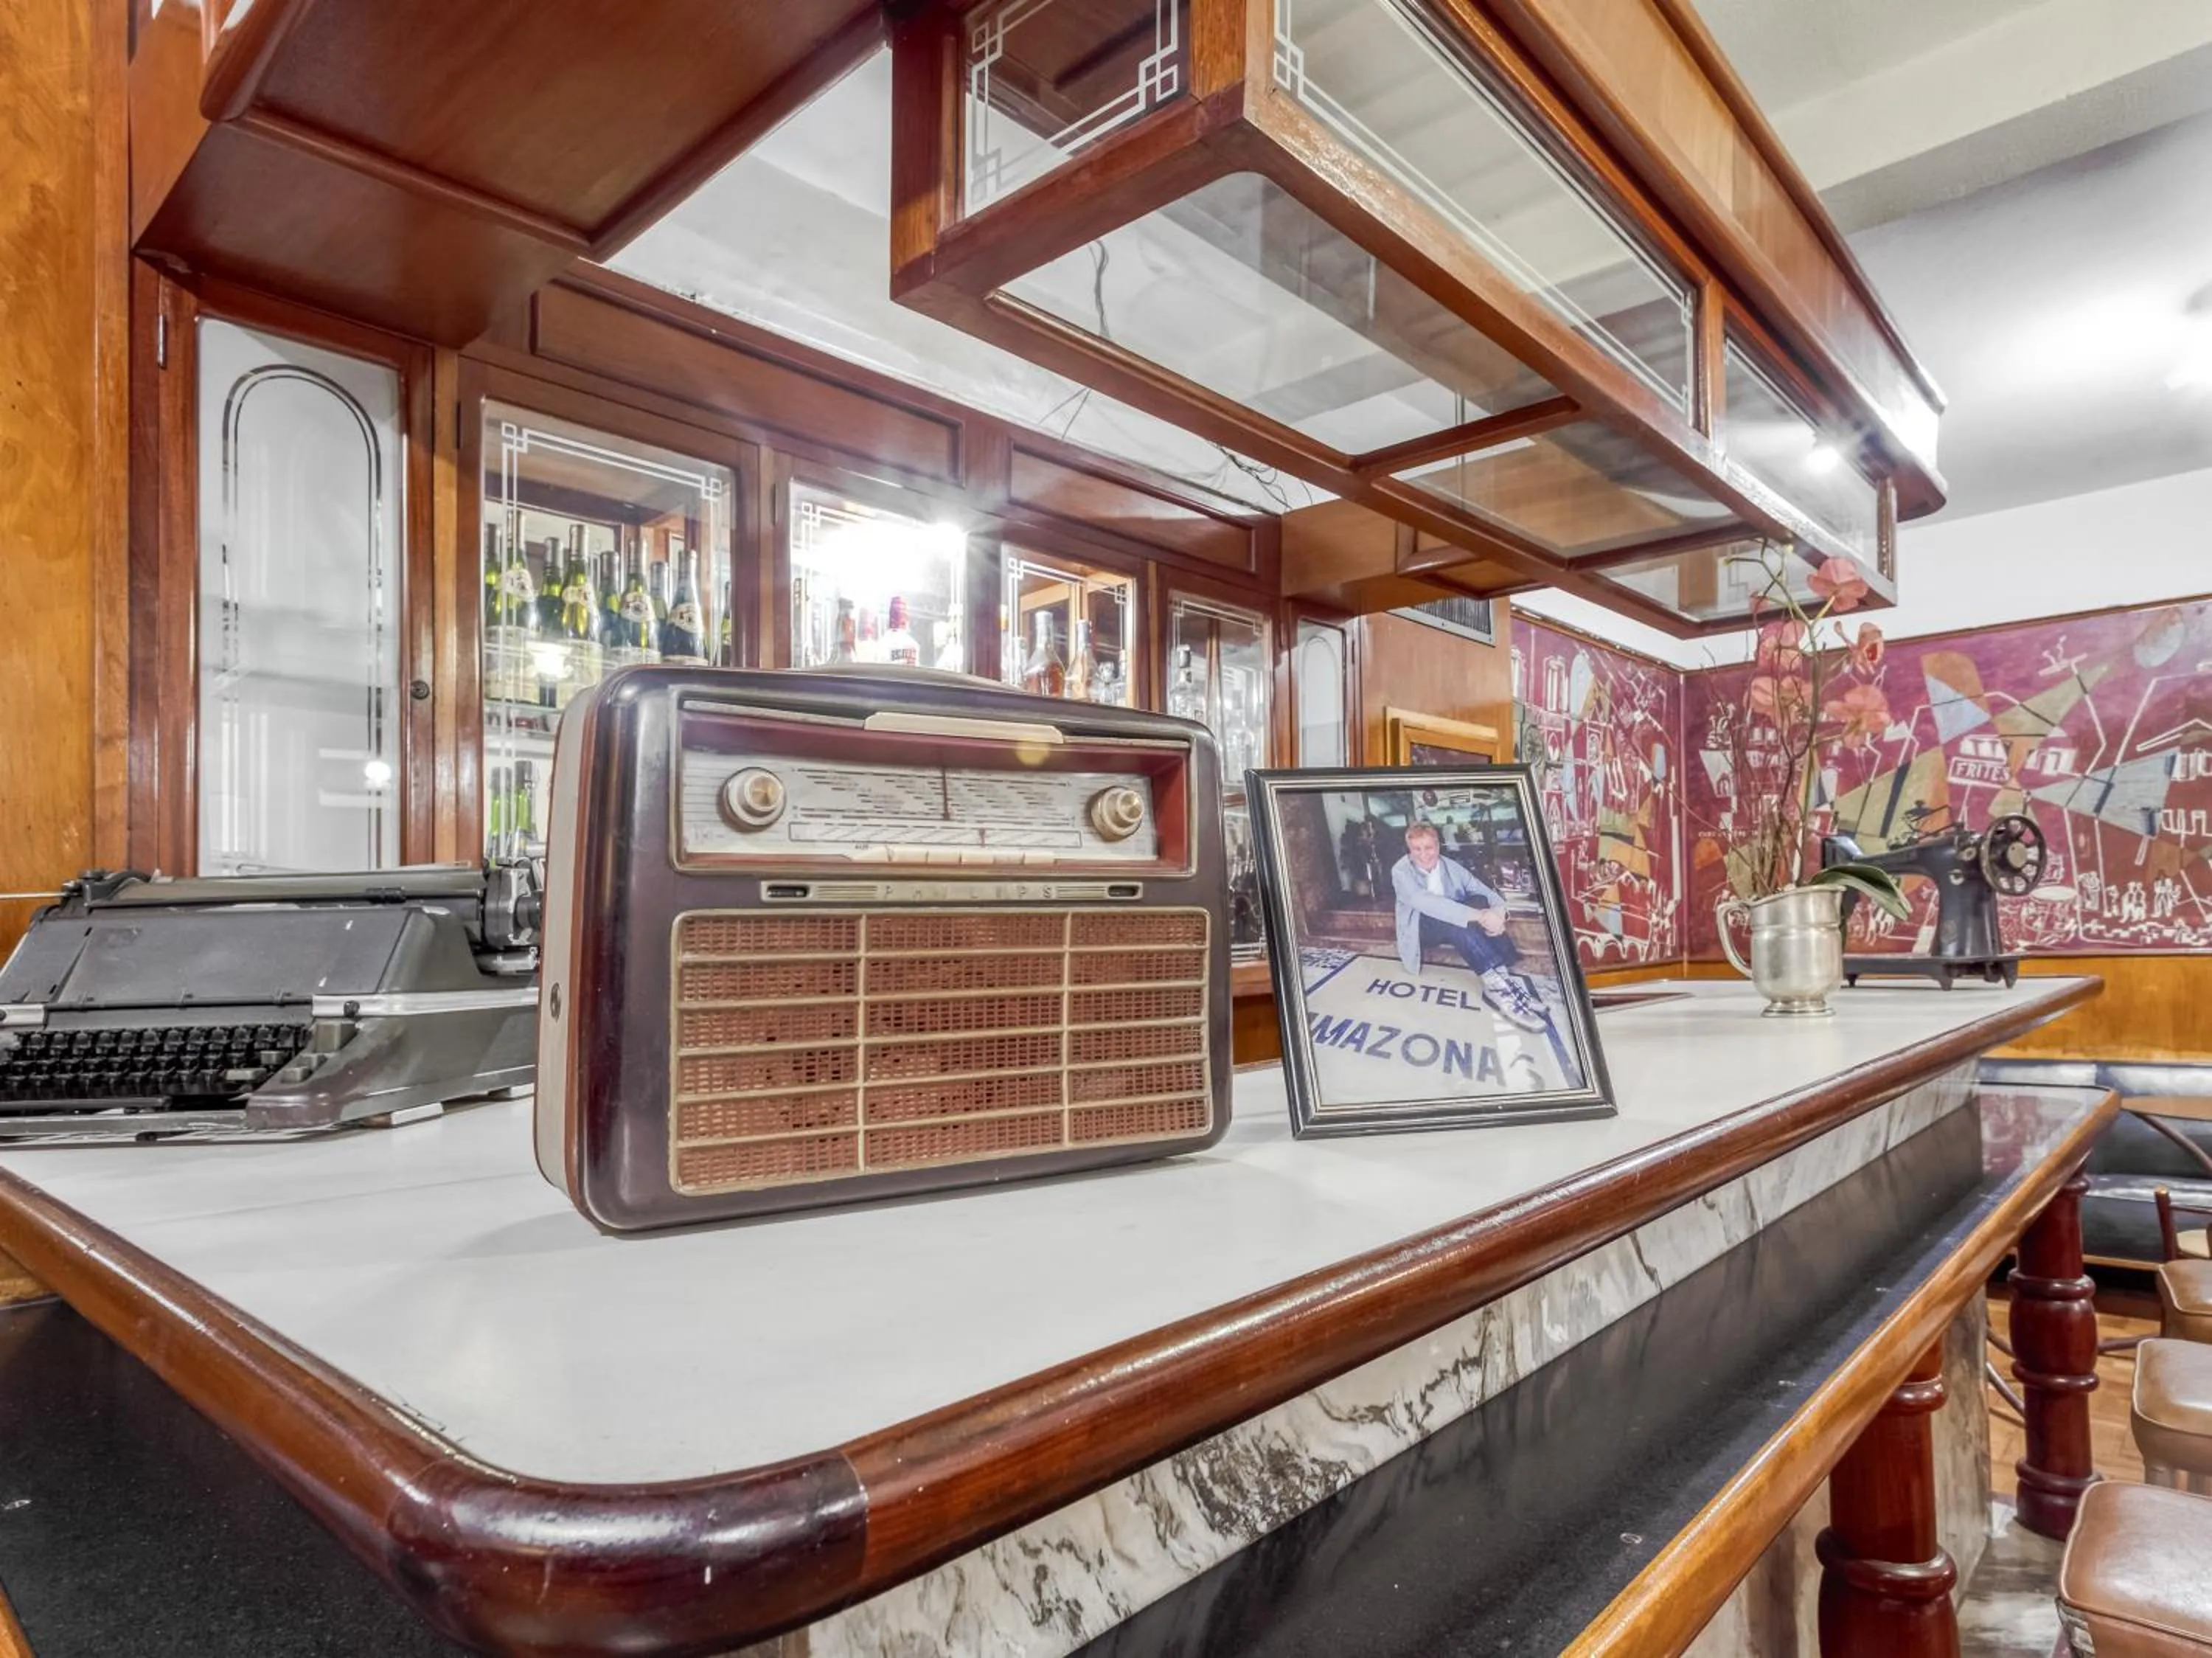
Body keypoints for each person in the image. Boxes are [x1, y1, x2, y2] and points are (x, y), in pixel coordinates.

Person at [1390, 822, 1548, 1032]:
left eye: (1428, 848)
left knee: (1480, 900)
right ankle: (1495, 988)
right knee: (1456, 917)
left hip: (1452, 924)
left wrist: (1499, 915)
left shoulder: (1450, 866)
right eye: (1416, 849)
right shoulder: (1401, 871)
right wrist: (1481, 917)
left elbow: (1485, 892)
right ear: (1409, 850)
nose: (1423, 855)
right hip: (1421, 928)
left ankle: (1502, 980)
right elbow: (1428, 904)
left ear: (1438, 846)